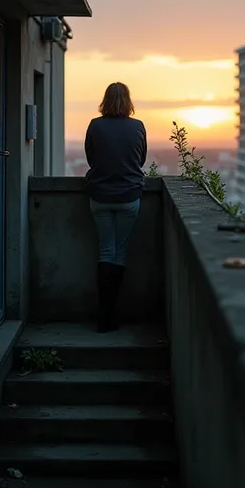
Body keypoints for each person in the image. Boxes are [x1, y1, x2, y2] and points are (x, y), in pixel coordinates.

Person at [85, 82, 147, 333]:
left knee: (105, 251)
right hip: (129, 196)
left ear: (105, 100)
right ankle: (111, 315)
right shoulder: (138, 126)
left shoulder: (95, 125)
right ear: (128, 100)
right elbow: (140, 159)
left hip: (99, 195)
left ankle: (103, 315)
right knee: (119, 254)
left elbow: (91, 158)